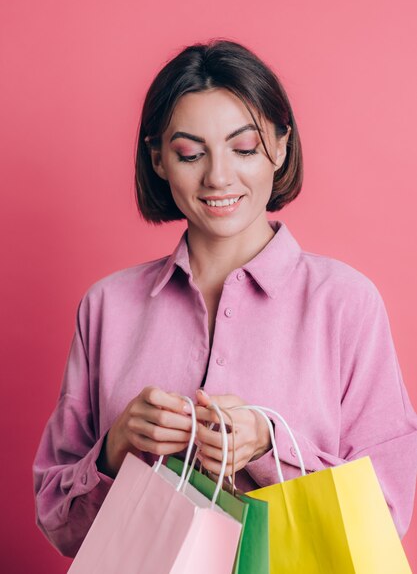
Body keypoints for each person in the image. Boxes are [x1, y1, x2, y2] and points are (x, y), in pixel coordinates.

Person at [33, 38, 417, 558]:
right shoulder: (107, 308)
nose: (218, 177)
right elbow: (59, 523)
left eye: (243, 148)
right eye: (190, 153)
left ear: (280, 146)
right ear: (159, 159)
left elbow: (387, 512)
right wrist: (115, 450)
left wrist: (269, 447)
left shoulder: (346, 304)